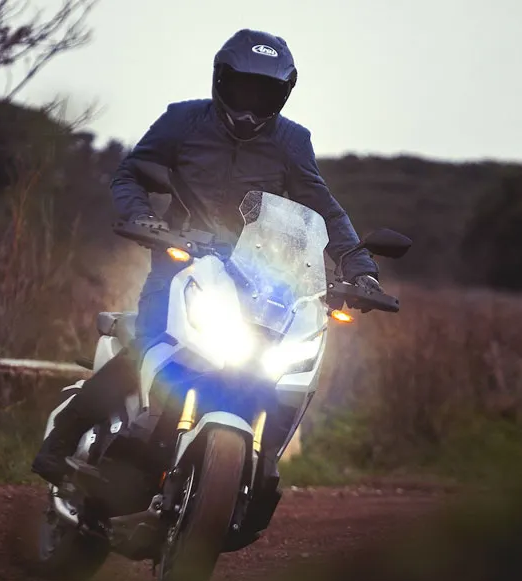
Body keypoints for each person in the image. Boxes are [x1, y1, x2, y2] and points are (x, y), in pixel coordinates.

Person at [30, 28, 383, 486]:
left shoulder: (292, 142)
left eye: (265, 91)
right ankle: (61, 439)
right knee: (152, 342)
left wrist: (361, 270)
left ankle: (257, 469)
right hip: (180, 262)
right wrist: (145, 219)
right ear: (221, 80)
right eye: (243, 87)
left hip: (254, 276)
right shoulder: (183, 121)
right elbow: (130, 174)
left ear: (283, 93)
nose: (252, 100)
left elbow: (324, 210)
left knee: (273, 363)